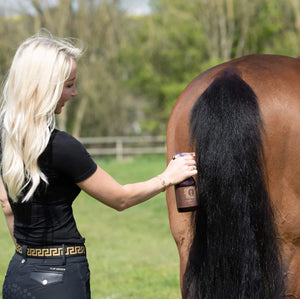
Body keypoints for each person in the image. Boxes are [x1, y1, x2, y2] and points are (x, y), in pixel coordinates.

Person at [0, 33, 197, 299]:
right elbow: (120, 198)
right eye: (69, 85)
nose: (75, 92)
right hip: (61, 276)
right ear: (45, 87)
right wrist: (167, 177)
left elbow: (6, 203)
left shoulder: (6, 140)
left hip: (17, 274)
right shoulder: (62, 147)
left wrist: (30, 255)